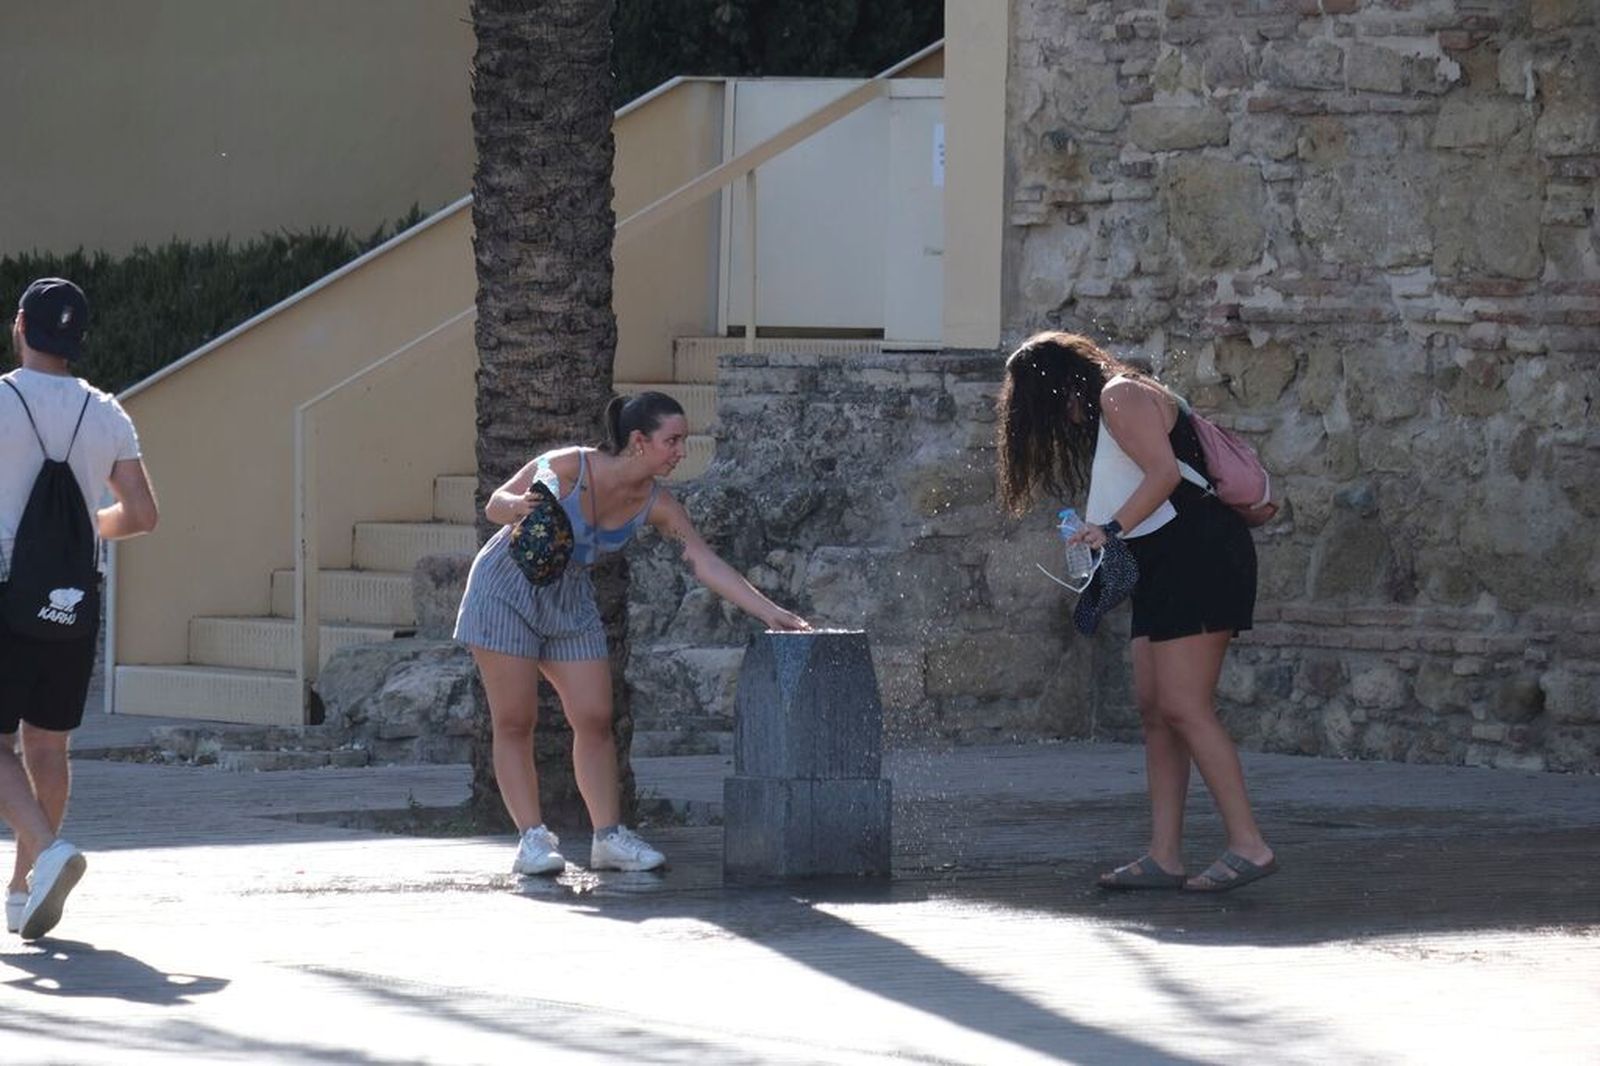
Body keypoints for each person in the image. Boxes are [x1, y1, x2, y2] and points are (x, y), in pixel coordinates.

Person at [455, 391, 811, 875]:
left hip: (570, 596)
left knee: (596, 716)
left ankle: (608, 839)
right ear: (639, 441)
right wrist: (524, 504)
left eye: (683, 441)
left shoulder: (658, 503)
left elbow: (703, 562)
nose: (681, 451)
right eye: (674, 440)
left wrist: (770, 612)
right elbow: (496, 503)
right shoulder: (567, 466)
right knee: (516, 720)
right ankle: (533, 841)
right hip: (506, 586)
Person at [996, 331, 1277, 893]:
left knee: (1183, 704)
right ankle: (1163, 856)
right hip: (1163, 563)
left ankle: (1249, 844)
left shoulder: (1120, 394)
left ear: (1059, 386)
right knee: (1154, 709)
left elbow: (1165, 474)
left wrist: (1110, 529)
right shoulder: (1113, 405)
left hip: (1200, 557)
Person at [2, 278, 159, 938]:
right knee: (49, 743)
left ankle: (48, 849)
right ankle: (21, 888)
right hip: (71, 594)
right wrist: (78, 529)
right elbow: (144, 515)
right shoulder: (107, 412)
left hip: (5, 587)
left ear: (20, 326)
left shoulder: (2, 400)